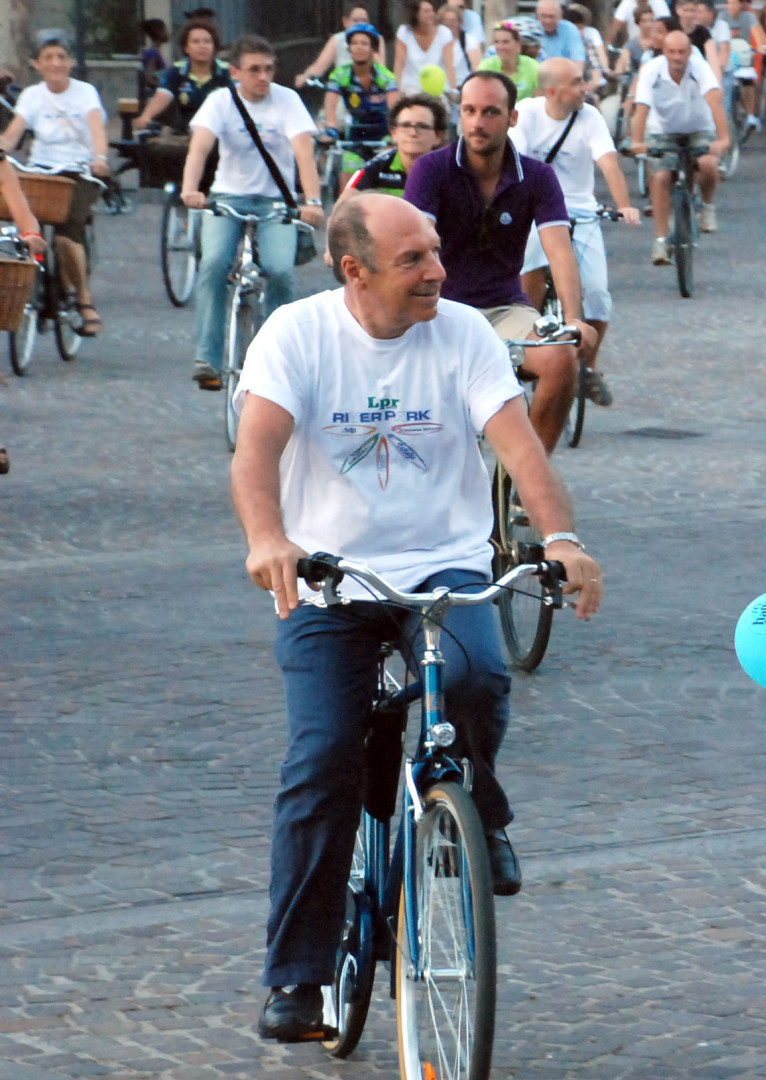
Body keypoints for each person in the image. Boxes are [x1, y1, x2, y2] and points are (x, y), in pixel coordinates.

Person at [234, 193, 602, 1043]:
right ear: (354, 270)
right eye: (414, 260)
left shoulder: (466, 333)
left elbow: (519, 447)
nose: (438, 269)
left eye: (436, 251)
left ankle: (482, 804)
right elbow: (255, 450)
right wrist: (267, 538)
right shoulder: (297, 333)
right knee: (321, 755)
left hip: (442, 565)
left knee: (475, 677)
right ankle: (298, 979)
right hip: (329, 577)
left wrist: (564, 538)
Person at [404, 69, 597, 453]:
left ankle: (526, 484)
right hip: (437, 308)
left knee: (559, 360)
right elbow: (415, 244)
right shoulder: (432, 170)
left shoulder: (538, 177)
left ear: (513, 118)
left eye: (491, 112)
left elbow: (559, 249)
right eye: (469, 110)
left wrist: (575, 319)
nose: (477, 122)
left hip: (505, 308)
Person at [181, 36, 325, 390]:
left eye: (269, 69)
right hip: (227, 198)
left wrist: (313, 201)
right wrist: (190, 189)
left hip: (277, 201)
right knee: (213, 263)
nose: (264, 77)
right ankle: (209, 358)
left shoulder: (287, 100)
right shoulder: (220, 101)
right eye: (254, 70)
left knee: (280, 271)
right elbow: (199, 148)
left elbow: (304, 153)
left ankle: (280, 357)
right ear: (235, 73)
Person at [514, 57, 641, 406]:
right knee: (530, 276)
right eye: (577, 82)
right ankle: (528, 347)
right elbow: (516, 162)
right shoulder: (526, 114)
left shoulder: (590, 117)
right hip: (534, 210)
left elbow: (608, 162)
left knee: (598, 294)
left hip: (580, 211)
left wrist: (624, 203)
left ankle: (588, 368)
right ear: (552, 90)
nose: (586, 86)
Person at [0, 31, 112, 340]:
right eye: (48, 57)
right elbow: (12, 135)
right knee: (13, 221)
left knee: (66, 235)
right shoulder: (32, 96)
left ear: (71, 62)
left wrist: (99, 157)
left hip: (79, 171)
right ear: (36, 64)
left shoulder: (85, 93)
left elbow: (96, 128)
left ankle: (84, 299)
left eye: (61, 57)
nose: (55, 63)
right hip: (40, 171)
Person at [631, 29, 731, 264]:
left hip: (699, 127)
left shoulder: (699, 67)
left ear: (690, 52)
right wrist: (637, 141)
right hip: (663, 129)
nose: (677, 57)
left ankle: (707, 206)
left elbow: (715, 102)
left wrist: (724, 139)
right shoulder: (652, 70)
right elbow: (642, 107)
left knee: (708, 164)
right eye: (671, 52)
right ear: (663, 52)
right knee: (661, 176)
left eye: (682, 52)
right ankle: (661, 241)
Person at [334, 93, 447, 208]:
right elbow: (341, 210)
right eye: (406, 125)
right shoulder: (375, 168)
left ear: (438, 136)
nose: (413, 133)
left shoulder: (451, 171)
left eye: (422, 126)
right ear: (394, 133)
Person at [132, 17, 231, 133]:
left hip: (221, 134)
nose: (202, 46)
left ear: (214, 46)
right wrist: (146, 116)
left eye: (207, 41)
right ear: (186, 48)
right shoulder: (177, 71)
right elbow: (163, 95)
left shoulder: (228, 71)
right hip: (185, 134)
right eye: (196, 41)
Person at [323, 23, 400, 161]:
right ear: (349, 48)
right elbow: (330, 107)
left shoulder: (386, 77)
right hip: (355, 133)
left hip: (383, 134)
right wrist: (331, 128)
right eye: (354, 43)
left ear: (373, 49)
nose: (358, 47)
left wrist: (396, 135)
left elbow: (394, 109)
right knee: (347, 175)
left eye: (364, 43)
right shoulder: (339, 75)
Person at [299, 5, 387, 83]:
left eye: (364, 20)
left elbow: (382, 69)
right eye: (356, 20)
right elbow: (319, 66)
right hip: (342, 90)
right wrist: (304, 76)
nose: (361, 24)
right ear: (345, 22)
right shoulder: (337, 39)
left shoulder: (377, 38)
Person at [715, 0, 765, 129]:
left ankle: (750, 116)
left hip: (743, 56)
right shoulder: (722, 17)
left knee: (748, 82)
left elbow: (759, 36)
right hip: (727, 56)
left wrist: (761, 47)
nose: (732, 6)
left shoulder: (749, 17)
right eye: (729, 3)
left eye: (735, 3)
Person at [395, 0, 458, 95]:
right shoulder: (404, 32)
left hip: (437, 90)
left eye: (432, 11)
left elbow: (449, 66)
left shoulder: (444, 33)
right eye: (426, 11)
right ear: (415, 14)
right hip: (410, 89)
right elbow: (399, 64)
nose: (431, 14)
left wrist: (453, 90)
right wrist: (396, 89)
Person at [479, 21, 544, 102]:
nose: (500, 47)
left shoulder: (533, 66)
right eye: (496, 42)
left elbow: (539, 101)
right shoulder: (487, 66)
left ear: (518, 44)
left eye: (505, 42)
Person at [566, 4, 612, 97]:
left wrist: (591, 85)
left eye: (583, 28)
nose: (582, 32)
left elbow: (596, 66)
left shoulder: (588, 40)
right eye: (578, 28)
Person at [440, 3, 477, 85]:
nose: (449, 24)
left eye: (452, 21)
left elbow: (476, 66)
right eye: (445, 21)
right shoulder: (436, 41)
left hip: (462, 85)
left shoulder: (467, 40)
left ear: (459, 22)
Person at [138, 18, 169, 105]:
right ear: (158, 32)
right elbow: (149, 79)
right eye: (165, 30)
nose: (167, 33)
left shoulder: (156, 52)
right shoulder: (152, 54)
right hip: (153, 96)